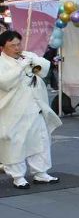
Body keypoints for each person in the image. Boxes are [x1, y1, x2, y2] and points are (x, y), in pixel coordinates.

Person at [0, 30, 61, 188]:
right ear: (2, 47)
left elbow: (43, 69)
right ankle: (18, 176)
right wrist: (20, 67)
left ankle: (40, 173)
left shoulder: (26, 55)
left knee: (40, 139)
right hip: (13, 111)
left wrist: (33, 60)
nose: (16, 47)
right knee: (16, 143)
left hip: (34, 107)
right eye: (12, 45)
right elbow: (5, 83)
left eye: (18, 44)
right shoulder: (1, 63)